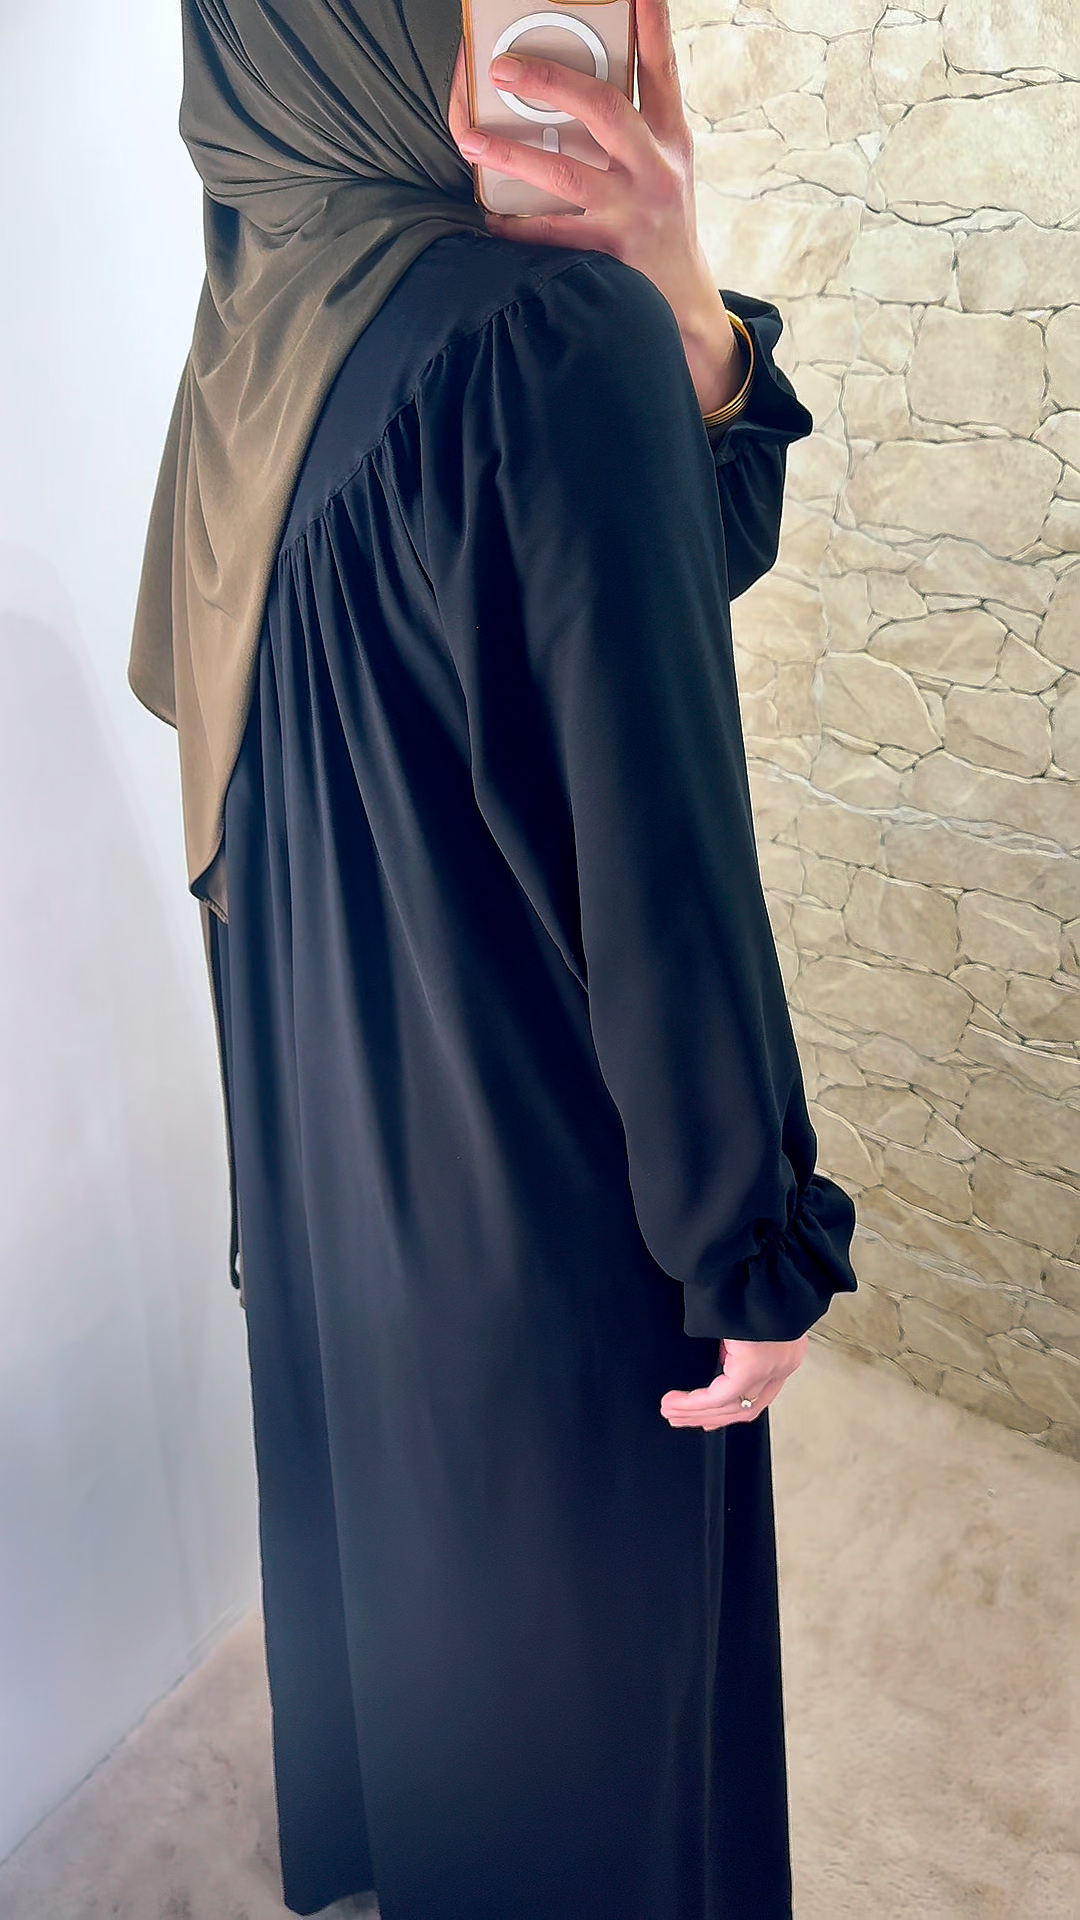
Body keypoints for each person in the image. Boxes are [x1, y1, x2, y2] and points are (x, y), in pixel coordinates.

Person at [129, 3, 858, 1915]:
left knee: (428, 1626)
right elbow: (663, 864)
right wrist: (749, 1240)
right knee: (602, 1735)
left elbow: (626, 585)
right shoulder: (547, 337)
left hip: (340, 1184)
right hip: (549, 1213)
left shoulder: (257, 349)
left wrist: (684, 311)